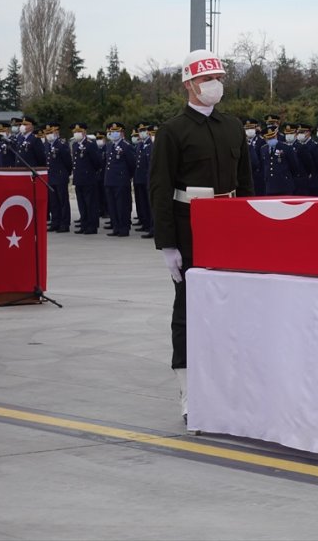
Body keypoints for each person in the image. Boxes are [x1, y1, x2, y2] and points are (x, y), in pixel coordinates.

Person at [149, 49, 254, 424]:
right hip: (189, 225)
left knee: (228, 306)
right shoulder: (172, 131)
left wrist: (248, 228)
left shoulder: (232, 127)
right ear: (190, 84)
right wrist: (167, 245)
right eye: (208, 80)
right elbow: (160, 189)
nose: (215, 86)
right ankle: (189, 390)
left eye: (219, 79)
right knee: (187, 308)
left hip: (227, 224)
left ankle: (227, 385)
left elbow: (245, 183)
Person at [103, 122, 136, 237]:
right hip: (110, 180)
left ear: (122, 132)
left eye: (116, 131)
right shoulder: (110, 145)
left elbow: (132, 164)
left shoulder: (126, 146)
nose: (114, 133)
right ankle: (116, 227)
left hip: (121, 181)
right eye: (112, 131)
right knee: (112, 206)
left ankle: (123, 228)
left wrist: (127, 176)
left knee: (122, 206)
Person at [70, 123, 103, 235]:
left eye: (78, 131)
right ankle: (84, 224)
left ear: (84, 132)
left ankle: (92, 226)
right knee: (82, 204)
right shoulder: (74, 145)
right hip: (79, 178)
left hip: (89, 178)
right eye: (75, 132)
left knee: (90, 204)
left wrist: (90, 172)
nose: (76, 133)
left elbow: (97, 162)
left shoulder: (90, 144)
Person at [44, 123, 72, 233]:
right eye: (47, 133)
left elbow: (68, 162)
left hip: (60, 176)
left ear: (56, 132)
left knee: (63, 201)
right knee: (53, 201)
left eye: (51, 132)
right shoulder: (47, 145)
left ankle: (65, 223)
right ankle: (56, 222)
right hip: (50, 176)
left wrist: (66, 173)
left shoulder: (61, 144)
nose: (49, 135)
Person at [133, 122, 154, 238]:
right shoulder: (140, 145)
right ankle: (146, 223)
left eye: (144, 130)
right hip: (140, 178)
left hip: (148, 178)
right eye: (140, 130)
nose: (141, 133)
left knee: (149, 204)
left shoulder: (152, 145)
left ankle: (151, 226)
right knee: (142, 203)